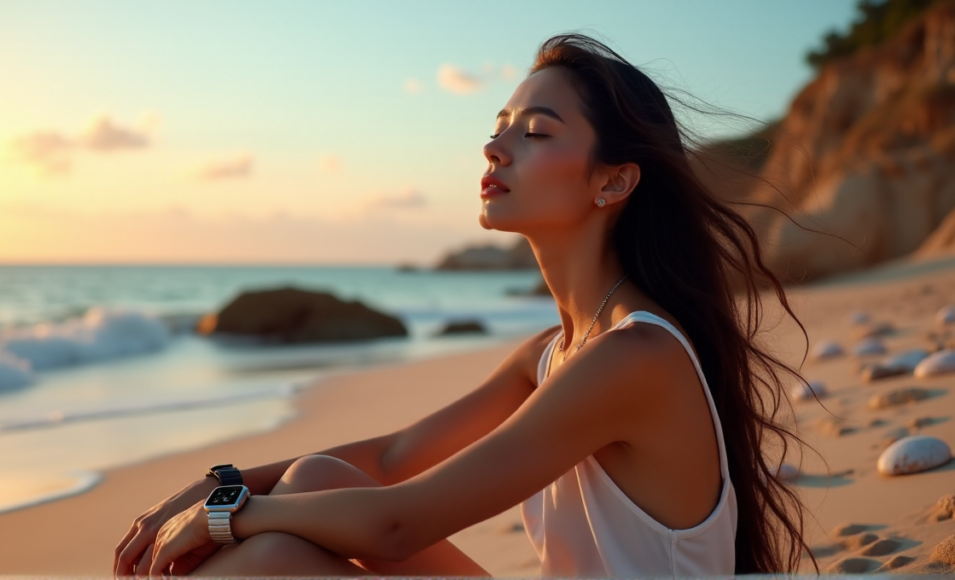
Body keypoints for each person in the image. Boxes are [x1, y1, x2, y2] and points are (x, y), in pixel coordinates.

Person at [114, 33, 812, 577]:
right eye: (500, 125)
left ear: (613, 182)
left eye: (534, 132)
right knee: (313, 481)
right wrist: (220, 484)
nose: (494, 147)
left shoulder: (635, 355)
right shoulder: (556, 353)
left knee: (271, 555)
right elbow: (393, 457)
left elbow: (397, 525)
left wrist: (227, 517)